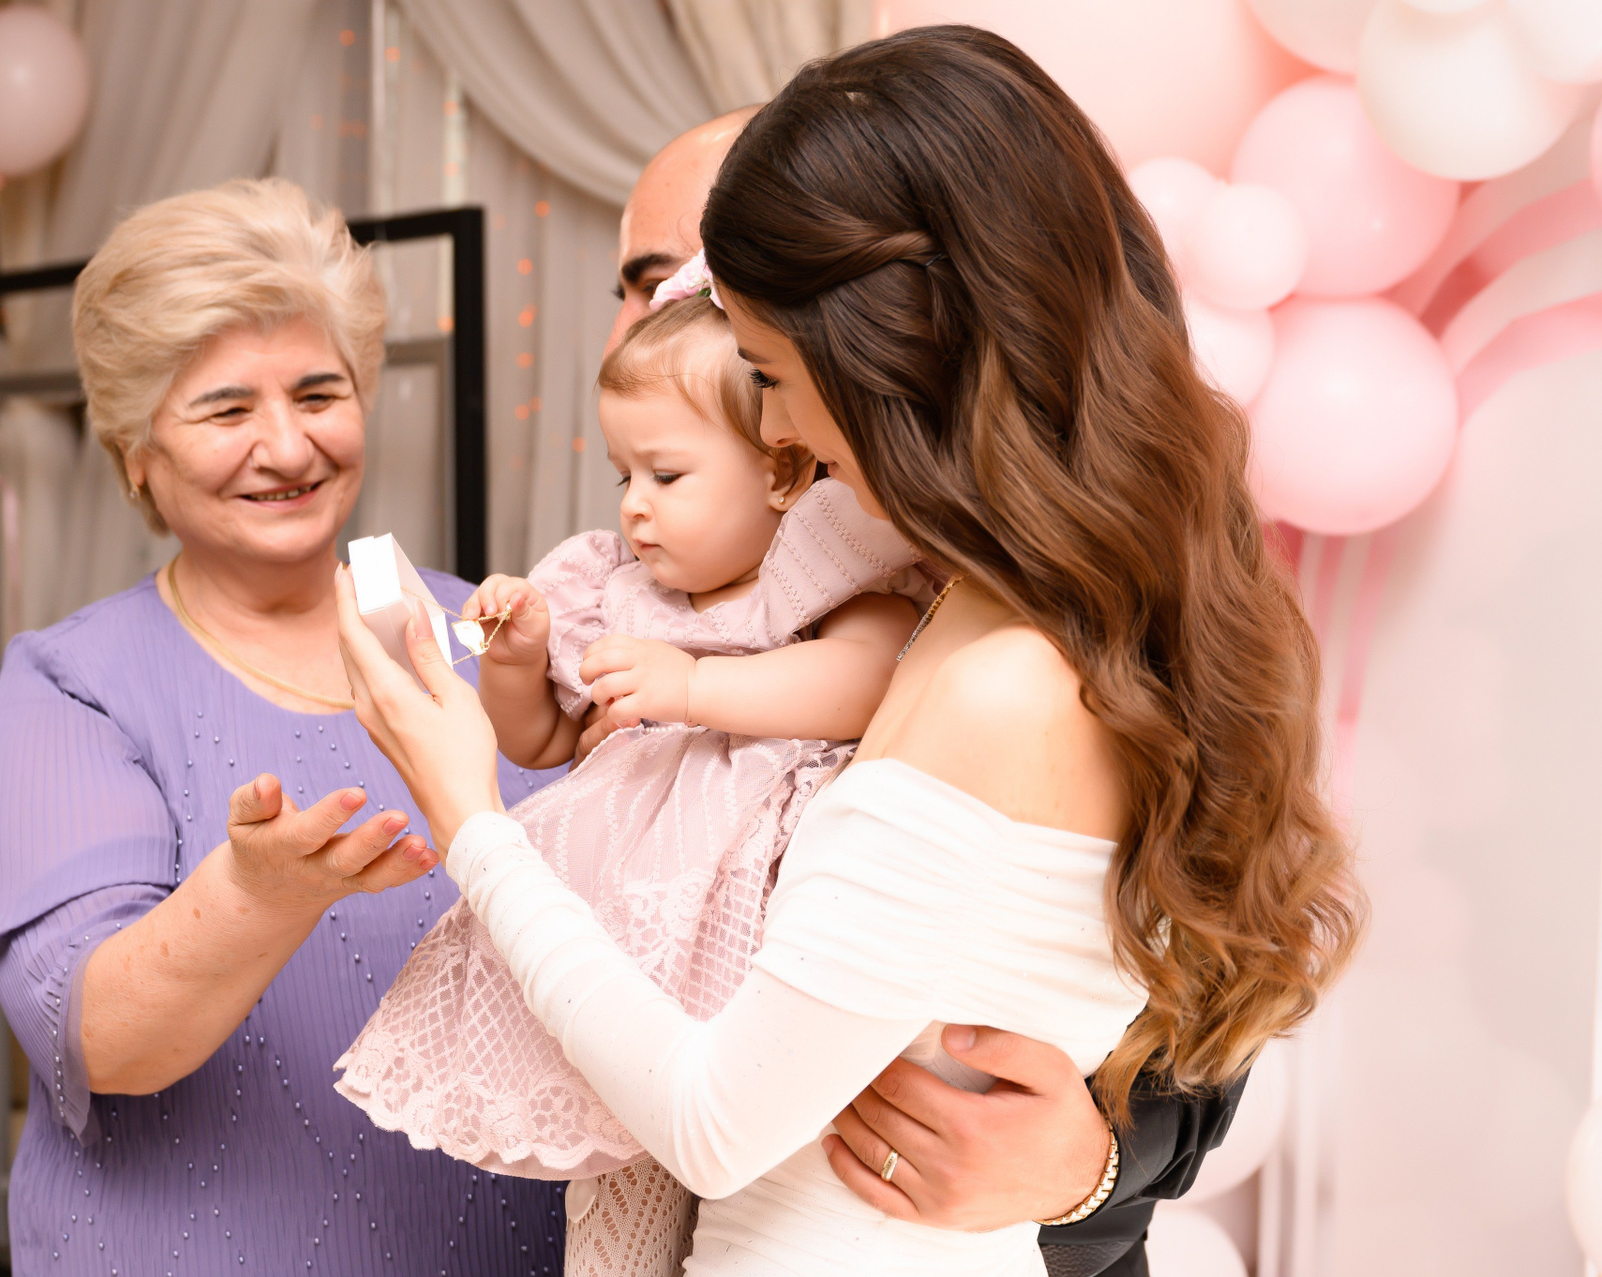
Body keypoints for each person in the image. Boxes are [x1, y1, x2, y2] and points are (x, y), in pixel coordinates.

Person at [332, 25, 1358, 1277]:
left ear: (890, 353)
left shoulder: (997, 679)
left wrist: (467, 813)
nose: (772, 425)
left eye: (764, 368)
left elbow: (714, 1121)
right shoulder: (988, 611)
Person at [608, 101, 1257, 1277]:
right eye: (641, 283)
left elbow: (1212, 977)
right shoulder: (656, 555)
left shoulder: (1073, 614)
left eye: (698, 289)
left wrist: (1087, 1163)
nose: (661, 318)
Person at [0, 178, 575, 1275]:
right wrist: (260, 894)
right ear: (136, 449)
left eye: (318, 393)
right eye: (227, 409)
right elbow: (98, 1041)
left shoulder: (497, 636)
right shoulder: (75, 686)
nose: (288, 448)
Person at [335, 293, 923, 1273]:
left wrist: (693, 686)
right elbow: (540, 741)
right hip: (627, 949)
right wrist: (515, 659)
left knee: (758, 1176)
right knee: (617, 1185)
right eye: (624, 474)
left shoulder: (822, 575)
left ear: (783, 470)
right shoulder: (611, 587)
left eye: (667, 474)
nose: (634, 504)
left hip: (759, 950)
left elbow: (872, 676)